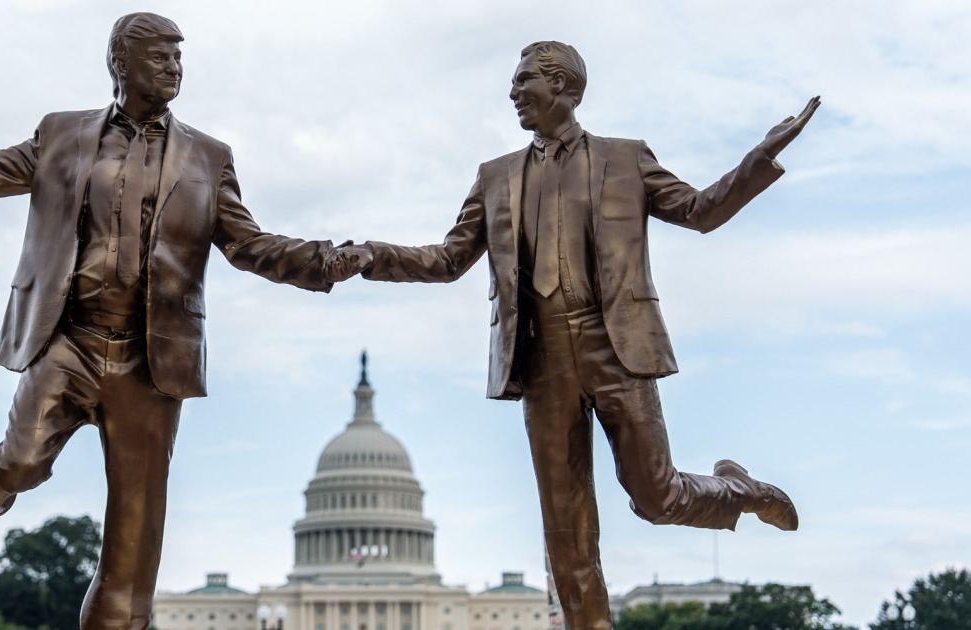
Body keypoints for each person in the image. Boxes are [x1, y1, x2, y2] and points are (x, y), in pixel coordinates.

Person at [0, 13, 339, 629]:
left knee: (131, 558)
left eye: (179, 57)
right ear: (121, 60)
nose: (175, 66)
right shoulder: (62, 134)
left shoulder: (208, 157)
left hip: (150, 364)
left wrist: (328, 259)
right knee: (24, 462)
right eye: (162, 55)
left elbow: (251, 246)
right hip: (69, 341)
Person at [326, 41, 820, 630]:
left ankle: (739, 491)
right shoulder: (495, 177)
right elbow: (448, 259)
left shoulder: (627, 159)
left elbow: (700, 210)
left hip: (615, 346)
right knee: (566, 529)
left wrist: (757, 159)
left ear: (564, 87)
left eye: (524, 81)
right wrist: (369, 255)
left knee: (655, 497)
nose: (512, 93)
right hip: (541, 360)